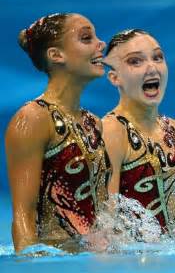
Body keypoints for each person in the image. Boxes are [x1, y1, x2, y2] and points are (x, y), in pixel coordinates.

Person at [5, 13, 111, 254]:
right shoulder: (33, 119)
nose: (101, 44)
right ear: (56, 55)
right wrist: (31, 264)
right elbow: (24, 214)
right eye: (86, 38)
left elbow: (104, 215)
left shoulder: (93, 123)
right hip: (55, 260)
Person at [102, 29, 175, 236]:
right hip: (130, 259)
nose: (151, 67)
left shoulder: (174, 130)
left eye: (157, 57)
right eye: (135, 61)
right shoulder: (112, 130)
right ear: (114, 77)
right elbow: (105, 220)